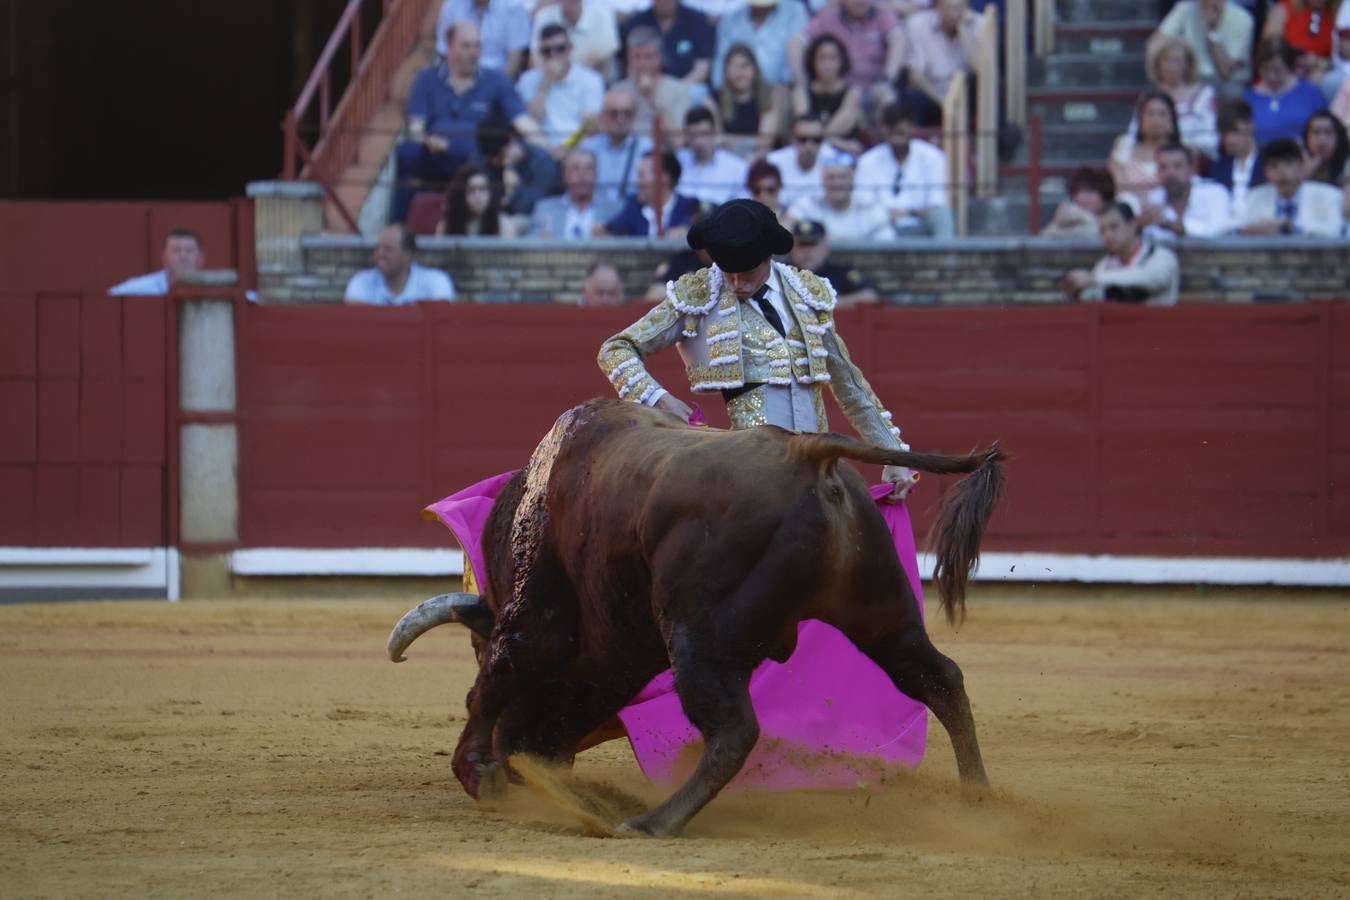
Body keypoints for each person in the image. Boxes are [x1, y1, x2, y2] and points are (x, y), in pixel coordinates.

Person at [592, 198, 928, 787]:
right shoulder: (697, 295)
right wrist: (655, 398)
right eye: (727, 269)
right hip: (748, 482)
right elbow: (615, 349)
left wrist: (894, 456)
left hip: (815, 468)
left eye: (745, 271)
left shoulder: (808, 294)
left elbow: (850, 386)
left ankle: (826, 742)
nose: (736, 281)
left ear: (768, 258)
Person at [395, 22, 540, 223]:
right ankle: (398, 229)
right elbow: (415, 127)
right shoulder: (426, 79)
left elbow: (522, 121)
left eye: (477, 46)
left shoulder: (496, 81)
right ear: (448, 46)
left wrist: (549, 145)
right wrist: (428, 140)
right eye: (466, 46)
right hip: (437, 155)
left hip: (480, 159)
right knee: (408, 152)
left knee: (521, 156)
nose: (474, 53)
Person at [854, 99, 953, 236]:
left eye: (901, 132)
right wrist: (897, 214)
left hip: (920, 227)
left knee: (942, 216)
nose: (897, 137)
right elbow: (864, 205)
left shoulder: (933, 157)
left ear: (914, 128)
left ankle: (944, 258)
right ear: (883, 129)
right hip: (881, 228)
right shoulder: (868, 161)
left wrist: (906, 213)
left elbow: (936, 204)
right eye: (892, 131)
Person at [793, 0, 908, 109]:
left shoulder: (883, 15)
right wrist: (801, 80)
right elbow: (796, 43)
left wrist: (887, 80)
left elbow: (898, 40)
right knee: (851, 99)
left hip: (876, 88)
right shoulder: (829, 18)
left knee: (888, 98)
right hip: (840, 91)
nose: (859, 2)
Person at [1060, 203, 1181, 306]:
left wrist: (1093, 279)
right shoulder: (1104, 265)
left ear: (1133, 224)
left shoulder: (1162, 257)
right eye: (1103, 230)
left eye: (1114, 227)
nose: (1108, 235)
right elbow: (1094, 296)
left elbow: (1151, 278)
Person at [515, 24, 605, 152]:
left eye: (560, 49)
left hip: (578, 148)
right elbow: (531, 122)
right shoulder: (527, 80)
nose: (553, 55)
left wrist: (566, 147)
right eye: (547, 51)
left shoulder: (590, 80)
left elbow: (589, 127)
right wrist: (545, 82)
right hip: (540, 148)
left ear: (570, 49)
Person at [1238, 136, 1347, 235]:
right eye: (1274, 166)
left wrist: (1290, 228)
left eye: (1288, 163)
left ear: (1301, 166)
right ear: (1266, 172)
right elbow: (1239, 227)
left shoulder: (1328, 195)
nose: (1282, 171)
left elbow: (1334, 229)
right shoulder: (1255, 197)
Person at [1149, 0, 1255, 95]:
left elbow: (1225, 70)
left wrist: (1211, 32)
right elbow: (1154, 43)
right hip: (1193, 79)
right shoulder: (1185, 8)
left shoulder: (1243, 19)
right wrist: (1158, 79)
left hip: (1226, 83)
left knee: (1231, 90)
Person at [612, 26, 695, 146]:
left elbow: (679, 142)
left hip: (664, 154)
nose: (642, 63)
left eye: (648, 57)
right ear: (628, 60)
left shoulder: (678, 90)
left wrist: (651, 98)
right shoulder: (618, 90)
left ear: (660, 58)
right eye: (637, 57)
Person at [1141, 35, 1219, 158]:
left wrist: (1179, 148)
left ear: (1187, 63)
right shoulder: (1149, 96)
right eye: (1166, 60)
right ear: (1158, 64)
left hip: (1195, 159)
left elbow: (1211, 138)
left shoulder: (1204, 94)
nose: (1171, 67)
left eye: (1177, 61)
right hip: (1154, 157)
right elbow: (1134, 133)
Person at [785, 154, 894, 240]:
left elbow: (887, 243)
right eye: (831, 177)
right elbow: (784, 231)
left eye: (842, 177)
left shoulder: (870, 208)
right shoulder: (807, 205)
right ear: (823, 181)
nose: (836, 183)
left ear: (852, 180)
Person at [1140, 143, 1234, 239]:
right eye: (1163, 167)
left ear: (1191, 169)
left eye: (1177, 166)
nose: (1170, 173)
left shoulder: (1215, 192)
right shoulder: (1154, 197)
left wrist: (1168, 224)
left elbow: (1217, 230)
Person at [344, 224, 456, 305]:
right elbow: (355, 321)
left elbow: (441, 320)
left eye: (388, 250)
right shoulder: (362, 281)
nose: (379, 254)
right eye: (377, 248)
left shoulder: (436, 280)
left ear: (408, 255)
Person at [1245, 38, 1327, 145]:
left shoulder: (1311, 94)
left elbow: (1324, 128)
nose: (1271, 76)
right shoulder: (1248, 98)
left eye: (1277, 70)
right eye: (1265, 69)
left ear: (1289, 67)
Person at [579, 88, 653, 206]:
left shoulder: (649, 148)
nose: (620, 119)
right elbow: (561, 152)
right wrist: (581, 132)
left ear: (635, 117)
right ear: (602, 116)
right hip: (595, 212)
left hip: (634, 211)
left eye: (627, 114)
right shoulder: (587, 147)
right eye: (614, 114)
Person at [602, 150, 702, 237]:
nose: (637, 182)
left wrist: (687, 230)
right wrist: (601, 230)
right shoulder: (633, 206)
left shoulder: (690, 207)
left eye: (642, 175)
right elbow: (609, 230)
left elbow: (709, 219)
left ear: (663, 178)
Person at [621, 0, 716, 92]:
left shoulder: (697, 21)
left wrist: (677, 89)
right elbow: (627, 65)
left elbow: (703, 66)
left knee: (697, 93)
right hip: (643, 85)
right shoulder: (635, 23)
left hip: (688, 85)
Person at [713, 0, 808, 90]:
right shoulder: (731, 13)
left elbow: (794, 59)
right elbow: (721, 58)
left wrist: (785, 87)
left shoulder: (794, 11)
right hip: (735, 91)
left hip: (778, 90)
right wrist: (720, 90)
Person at [792, 35, 865, 152]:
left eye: (832, 58)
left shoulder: (853, 93)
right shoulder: (801, 92)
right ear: (812, 61)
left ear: (842, 61)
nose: (827, 64)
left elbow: (842, 127)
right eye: (822, 58)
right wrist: (836, 141)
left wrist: (817, 133)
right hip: (811, 152)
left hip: (842, 153)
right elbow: (803, 128)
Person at [903, 0, 979, 110]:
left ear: (967, 8)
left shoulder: (981, 24)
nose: (953, 14)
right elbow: (916, 76)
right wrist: (944, 102)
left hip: (967, 92)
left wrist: (965, 31)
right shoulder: (917, 24)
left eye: (958, 8)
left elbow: (981, 72)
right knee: (910, 98)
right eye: (948, 8)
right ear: (937, 7)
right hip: (934, 94)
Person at [529, 148, 622, 238]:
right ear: (564, 175)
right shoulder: (545, 209)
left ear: (597, 174)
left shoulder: (614, 210)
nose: (582, 175)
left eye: (589, 169)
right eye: (575, 169)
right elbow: (531, 245)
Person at [1109, 90, 1181, 203]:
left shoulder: (1183, 152)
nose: (1156, 120)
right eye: (1150, 113)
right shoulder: (1124, 146)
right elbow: (1121, 188)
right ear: (1140, 119)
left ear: (1172, 120)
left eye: (1162, 114)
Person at [788, 218, 880, 306]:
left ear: (825, 247)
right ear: (792, 248)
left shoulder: (841, 273)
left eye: (813, 244)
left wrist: (825, 304)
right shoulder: (781, 274)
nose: (807, 251)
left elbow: (869, 296)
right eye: (802, 245)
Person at [715, 43, 784, 157]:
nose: (739, 72)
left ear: (755, 69)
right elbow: (716, 140)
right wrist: (751, 141)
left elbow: (766, 141)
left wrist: (728, 140)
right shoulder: (714, 99)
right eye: (733, 66)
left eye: (745, 66)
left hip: (760, 157)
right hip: (726, 158)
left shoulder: (770, 95)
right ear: (726, 70)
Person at [436, 0, 531, 77]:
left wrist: (492, 90)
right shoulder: (452, 5)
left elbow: (514, 62)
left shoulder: (514, 7)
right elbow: (445, 53)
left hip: (498, 79)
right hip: (459, 78)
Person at [675, 107, 750, 204]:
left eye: (704, 134)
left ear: (715, 132)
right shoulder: (677, 163)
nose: (698, 142)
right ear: (686, 135)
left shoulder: (737, 168)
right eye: (693, 135)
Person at [766, 115, 843, 209]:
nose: (809, 146)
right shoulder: (774, 162)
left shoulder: (835, 161)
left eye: (816, 140)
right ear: (792, 139)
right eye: (803, 139)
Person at [1209, 98, 1268, 218]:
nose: (1230, 139)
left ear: (1251, 125)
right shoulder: (1218, 167)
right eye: (1225, 133)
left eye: (1235, 132)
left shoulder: (1268, 161)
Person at [530, 0, 620, 76]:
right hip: (552, 80)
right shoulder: (543, 16)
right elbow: (536, 60)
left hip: (595, 81)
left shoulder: (603, 14)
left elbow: (605, 57)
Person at [1260, 0, 1338, 85]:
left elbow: (1334, 64)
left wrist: (1316, 62)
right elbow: (1269, 51)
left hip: (1315, 76)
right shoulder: (1284, 9)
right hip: (1282, 71)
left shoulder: (1336, 16)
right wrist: (1294, 59)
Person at [108, 228, 204, 296]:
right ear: (164, 257)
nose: (183, 256)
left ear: (200, 258)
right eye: (176, 250)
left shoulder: (208, 287)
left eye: (189, 250)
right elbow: (112, 296)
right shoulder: (142, 288)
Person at [440, 163, 517, 236]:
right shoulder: (446, 225)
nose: (478, 196)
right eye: (471, 190)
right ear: (460, 195)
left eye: (483, 189)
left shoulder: (504, 224)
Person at [1041, 166, 1117, 239]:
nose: (1081, 197)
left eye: (1089, 191)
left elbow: (1098, 233)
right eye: (1077, 192)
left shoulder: (1117, 217)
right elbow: (1044, 237)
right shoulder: (1068, 218)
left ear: (1105, 195)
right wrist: (1056, 222)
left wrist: (1087, 218)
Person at [1302, 109, 1350, 195]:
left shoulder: (1347, 166)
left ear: (1338, 138)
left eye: (1328, 132)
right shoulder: (1297, 163)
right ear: (1307, 138)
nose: (1322, 139)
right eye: (1316, 132)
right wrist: (1305, 175)